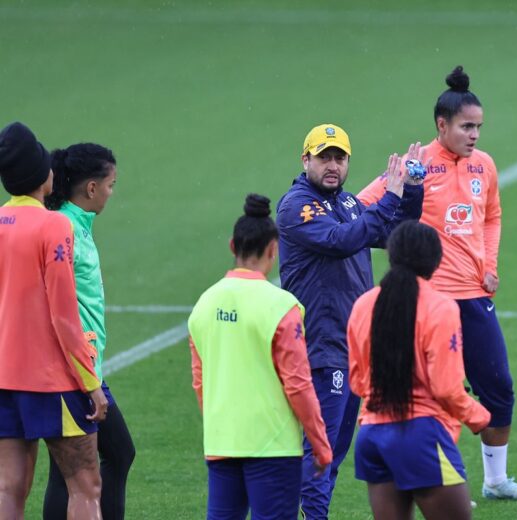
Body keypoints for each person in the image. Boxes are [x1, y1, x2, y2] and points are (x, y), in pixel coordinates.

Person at [359, 66, 517, 502]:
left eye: (478, 126)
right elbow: (366, 204)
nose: (474, 134)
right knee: (429, 391)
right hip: (425, 301)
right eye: (466, 126)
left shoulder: (485, 166)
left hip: (475, 296)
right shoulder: (416, 165)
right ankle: (431, 477)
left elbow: (493, 216)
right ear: (441, 125)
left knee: (498, 386)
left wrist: (490, 263)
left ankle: (496, 481)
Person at [277, 124, 424, 519]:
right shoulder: (297, 206)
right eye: (324, 157)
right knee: (321, 448)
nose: (332, 165)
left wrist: (410, 190)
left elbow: (398, 235)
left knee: (334, 449)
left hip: (352, 346)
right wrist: (390, 195)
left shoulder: (348, 205)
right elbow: (344, 240)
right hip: (321, 345)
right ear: (305, 160)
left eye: (339, 158)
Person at [188, 194, 333, 519]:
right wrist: (320, 443)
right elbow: (298, 384)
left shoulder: (203, 305)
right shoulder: (283, 306)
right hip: (273, 447)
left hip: (222, 442)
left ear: (231, 246)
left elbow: (200, 381)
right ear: (273, 249)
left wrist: (220, 424)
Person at [0, 121, 108, 519]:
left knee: (10, 488)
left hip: (4, 377)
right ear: (42, 176)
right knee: (85, 485)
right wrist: (91, 383)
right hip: (52, 380)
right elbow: (64, 317)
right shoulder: (54, 225)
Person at [347, 221, 491, 520]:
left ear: (392, 255)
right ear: (435, 260)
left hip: (372, 435)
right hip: (421, 436)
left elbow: (357, 380)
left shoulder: (363, 305)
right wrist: (478, 416)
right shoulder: (440, 307)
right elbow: (446, 388)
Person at [41, 143, 134, 520]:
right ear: (92, 188)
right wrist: (86, 375)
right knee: (112, 455)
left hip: (83, 364)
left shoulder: (75, 223)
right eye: (111, 184)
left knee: (69, 469)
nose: (113, 192)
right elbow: (56, 306)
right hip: (74, 369)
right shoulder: (65, 229)